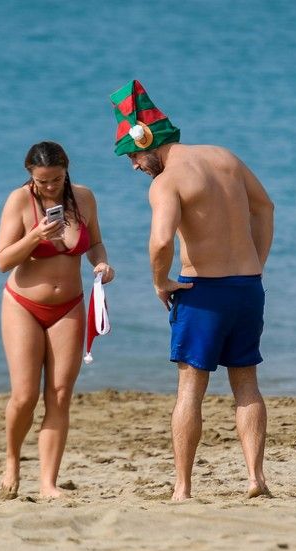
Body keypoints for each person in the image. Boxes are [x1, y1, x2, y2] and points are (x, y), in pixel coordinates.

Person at [109, 79, 275, 501]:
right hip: (247, 286)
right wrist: (258, 261)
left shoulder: (166, 182)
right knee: (247, 384)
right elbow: (265, 207)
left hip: (201, 291)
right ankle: (256, 477)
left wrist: (159, 281)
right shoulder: (225, 157)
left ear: (146, 141)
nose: (133, 166)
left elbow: (161, 241)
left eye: (132, 156)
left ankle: (182, 487)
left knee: (190, 388)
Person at [0, 141, 114, 499]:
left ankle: (48, 483)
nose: (50, 187)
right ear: (30, 175)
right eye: (42, 181)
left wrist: (101, 263)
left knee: (60, 395)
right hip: (24, 304)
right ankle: (12, 461)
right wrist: (34, 236)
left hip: (70, 305)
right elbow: (3, 260)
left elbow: (95, 243)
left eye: (56, 180)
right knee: (25, 395)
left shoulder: (84, 198)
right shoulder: (19, 201)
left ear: (66, 170)